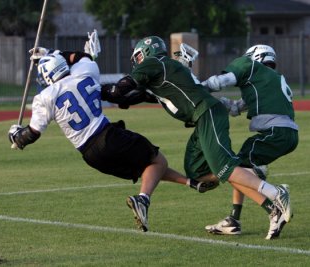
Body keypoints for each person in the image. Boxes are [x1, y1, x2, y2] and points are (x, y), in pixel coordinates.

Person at [7, 41, 214, 233]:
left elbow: (32, 134)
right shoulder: (85, 71)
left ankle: (191, 183)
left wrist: (16, 136)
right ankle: (142, 200)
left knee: (148, 166)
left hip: (90, 155)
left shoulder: (44, 97)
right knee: (157, 160)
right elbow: (81, 56)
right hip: (107, 136)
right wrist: (51, 52)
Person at [102, 36, 293, 239]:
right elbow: (131, 96)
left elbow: (121, 88)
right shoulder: (163, 71)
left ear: (147, 52)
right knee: (198, 172)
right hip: (201, 118)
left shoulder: (155, 62)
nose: (137, 61)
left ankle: (274, 193)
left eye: (138, 56)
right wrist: (105, 95)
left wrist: (96, 90)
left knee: (224, 168)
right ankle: (256, 198)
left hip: (207, 113)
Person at [202, 44, 299, 239]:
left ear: (255, 58)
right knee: (240, 170)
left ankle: (274, 202)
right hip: (285, 134)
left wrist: (199, 88)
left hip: (275, 132)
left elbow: (221, 81)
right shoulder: (269, 82)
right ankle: (234, 219)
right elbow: (237, 107)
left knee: (233, 169)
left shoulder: (253, 68)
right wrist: (219, 102)